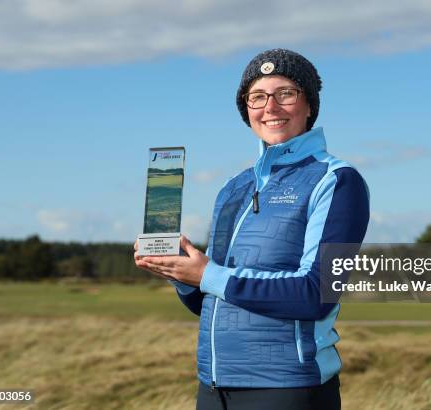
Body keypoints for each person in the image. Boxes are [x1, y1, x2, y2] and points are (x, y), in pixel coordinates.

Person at [135, 48, 370, 410]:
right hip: (213, 387)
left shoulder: (337, 181)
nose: (270, 107)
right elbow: (213, 301)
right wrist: (182, 273)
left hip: (287, 389)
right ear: (246, 109)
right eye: (257, 97)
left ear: (310, 105)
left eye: (285, 94)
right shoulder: (233, 187)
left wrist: (209, 273)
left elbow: (317, 294)